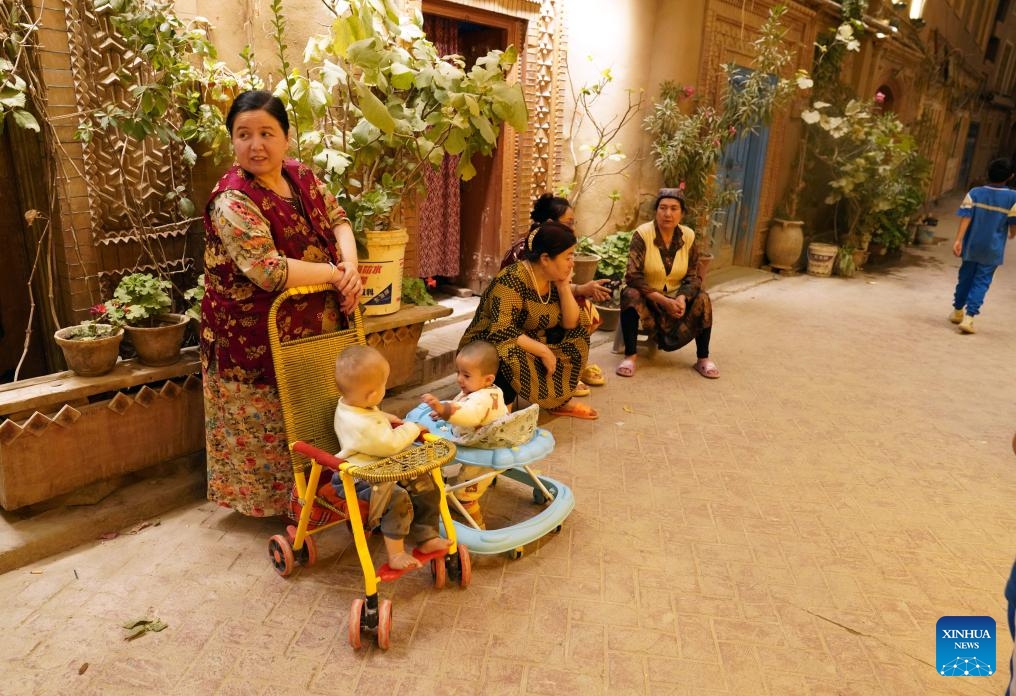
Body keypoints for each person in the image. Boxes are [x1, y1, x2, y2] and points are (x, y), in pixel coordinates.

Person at [201, 90, 362, 517]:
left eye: (267, 133)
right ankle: (278, 505)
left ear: (286, 137)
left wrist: (349, 264)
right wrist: (334, 274)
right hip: (252, 329)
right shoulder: (232, 199)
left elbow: (339, 218)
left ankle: (322, 491)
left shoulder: (302, 176)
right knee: (269, 416)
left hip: (315, 322)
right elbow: (267, 269)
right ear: (232, 141)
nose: (256, 145)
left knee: (316, 403)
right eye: (243, 134)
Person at [461, 219, 598, 420]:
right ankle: (500, 413)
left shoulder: (552, 279)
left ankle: (558, 401)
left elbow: (570, 323)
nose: (572, 263)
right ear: (545, 259)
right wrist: (543, 351)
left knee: (577, 336)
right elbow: (501, 331)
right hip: (488, 344)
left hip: (528, 340)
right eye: (568, 256)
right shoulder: (511, 280)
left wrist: (563, 287)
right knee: (508, 351)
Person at [333, 345, 451, 570]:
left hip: (382, 468)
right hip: (357, 478)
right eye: (384, 385)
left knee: (425, 481)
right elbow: (390, 444)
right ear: (372, 395)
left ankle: (426, 537)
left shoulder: (352, 404)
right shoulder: (362, 425)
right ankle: (395, 555)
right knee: (397, 498)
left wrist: (385, 416)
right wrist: (412, 428)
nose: (385, 389)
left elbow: (370, 414)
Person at [501, 193, 612, 393]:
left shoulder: (555, 245)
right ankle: (554, 371)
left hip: (542, 303)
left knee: (584, 311)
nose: (573, 229)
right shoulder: (524, 254)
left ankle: (571, 368)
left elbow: (555, 286)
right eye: (569, 223)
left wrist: (578, 288)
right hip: (520, 313)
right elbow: (534, 292)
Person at [615, 188, 718, 379]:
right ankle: (630, 356)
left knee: (703, 298)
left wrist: (681, 298)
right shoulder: (643, 234)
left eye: (674, 208)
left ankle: (703, 358)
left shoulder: (688, 236)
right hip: (649, 297)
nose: (667, 213)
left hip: (676, 297)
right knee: (629, 293)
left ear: (682, 213)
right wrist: (663, 301)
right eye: (663, 208)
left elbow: (693, 276)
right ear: (656, 211)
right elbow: (633, 275)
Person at [421, 341, 509, 528]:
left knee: (467, 488)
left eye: (466, 375)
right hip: (489, 437)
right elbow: (462, 405)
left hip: (482, 448)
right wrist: (445, 412)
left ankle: (470, 510)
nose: (460, 379)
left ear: (488, 379)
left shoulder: (482, 399)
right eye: (458, 372)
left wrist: (443, 408)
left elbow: (470, 414)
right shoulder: (490, 391)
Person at [948, 157, 1016, 334]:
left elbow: (966, 216)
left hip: (971, 245)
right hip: (992, 249)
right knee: (982, 281)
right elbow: (1013, 222)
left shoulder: (975, 193)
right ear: (1010, 176)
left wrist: (958, 240)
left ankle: (957, 312)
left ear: (988, 173)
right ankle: (969, 318)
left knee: (965, 277)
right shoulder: (1013, 197)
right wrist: (1012, 233)